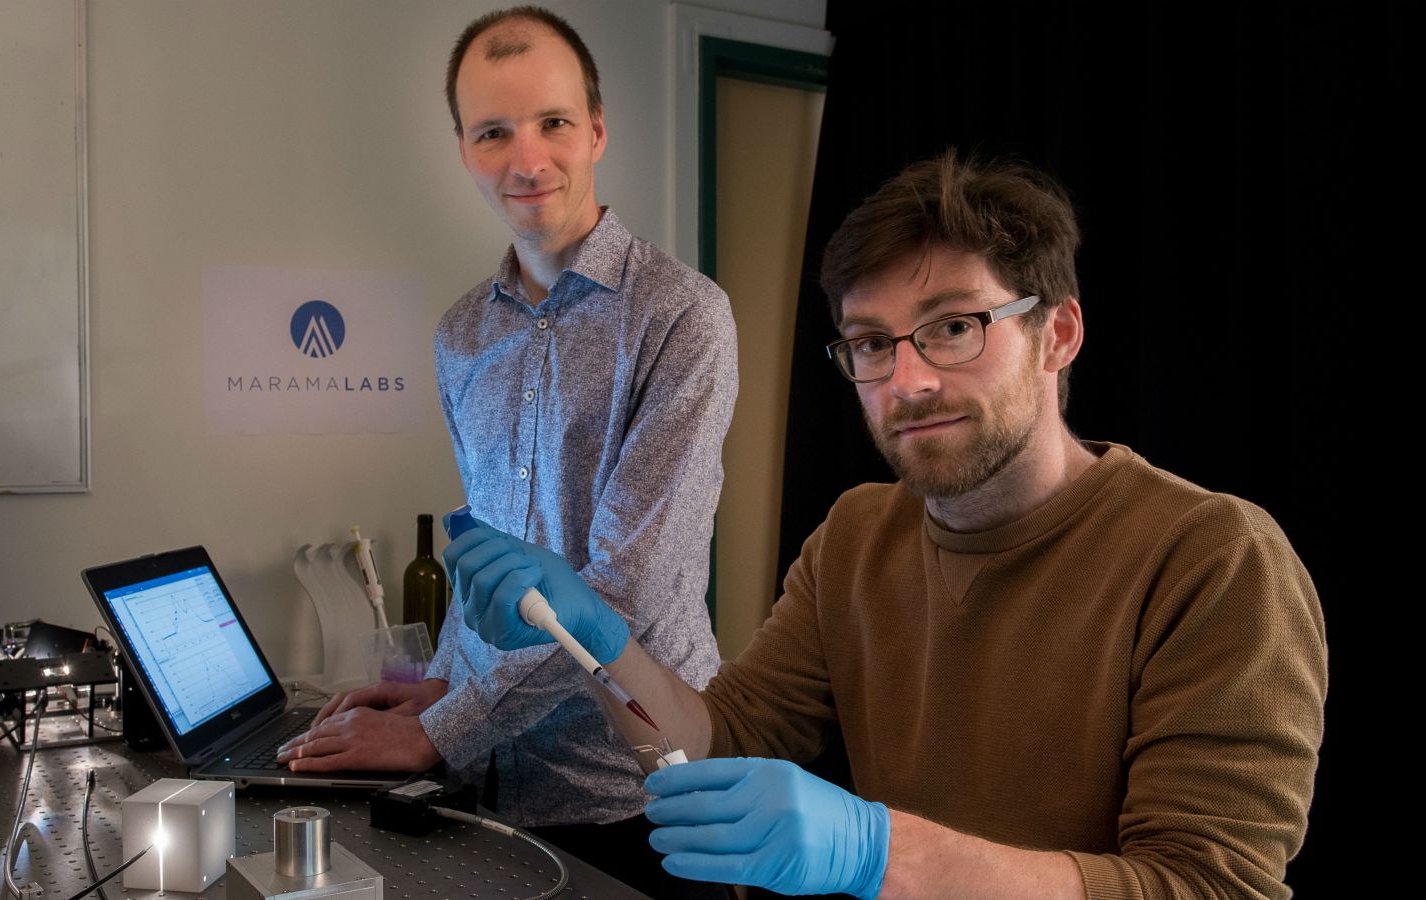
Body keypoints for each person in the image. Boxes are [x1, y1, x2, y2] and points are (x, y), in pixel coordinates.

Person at [444, 151, 1327, 899]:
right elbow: (721, 740)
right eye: (871, 342)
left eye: (953, 327)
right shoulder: (859, 536)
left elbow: (1208, 887)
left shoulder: (1213, 560)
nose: (906, 382)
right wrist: (595, 640)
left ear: (1058, 334)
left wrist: (880, 852)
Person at [278, 6, 735, 896]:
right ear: (463, 149)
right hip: (488, 784)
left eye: (553, 123)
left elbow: (619, 597)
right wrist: (441, 688)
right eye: (494, 132)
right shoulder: (461, 333)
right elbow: (483, 551)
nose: (526, 161)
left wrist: (444, 729)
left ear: (598, 130)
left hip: (632, 790)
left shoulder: (683, 318)